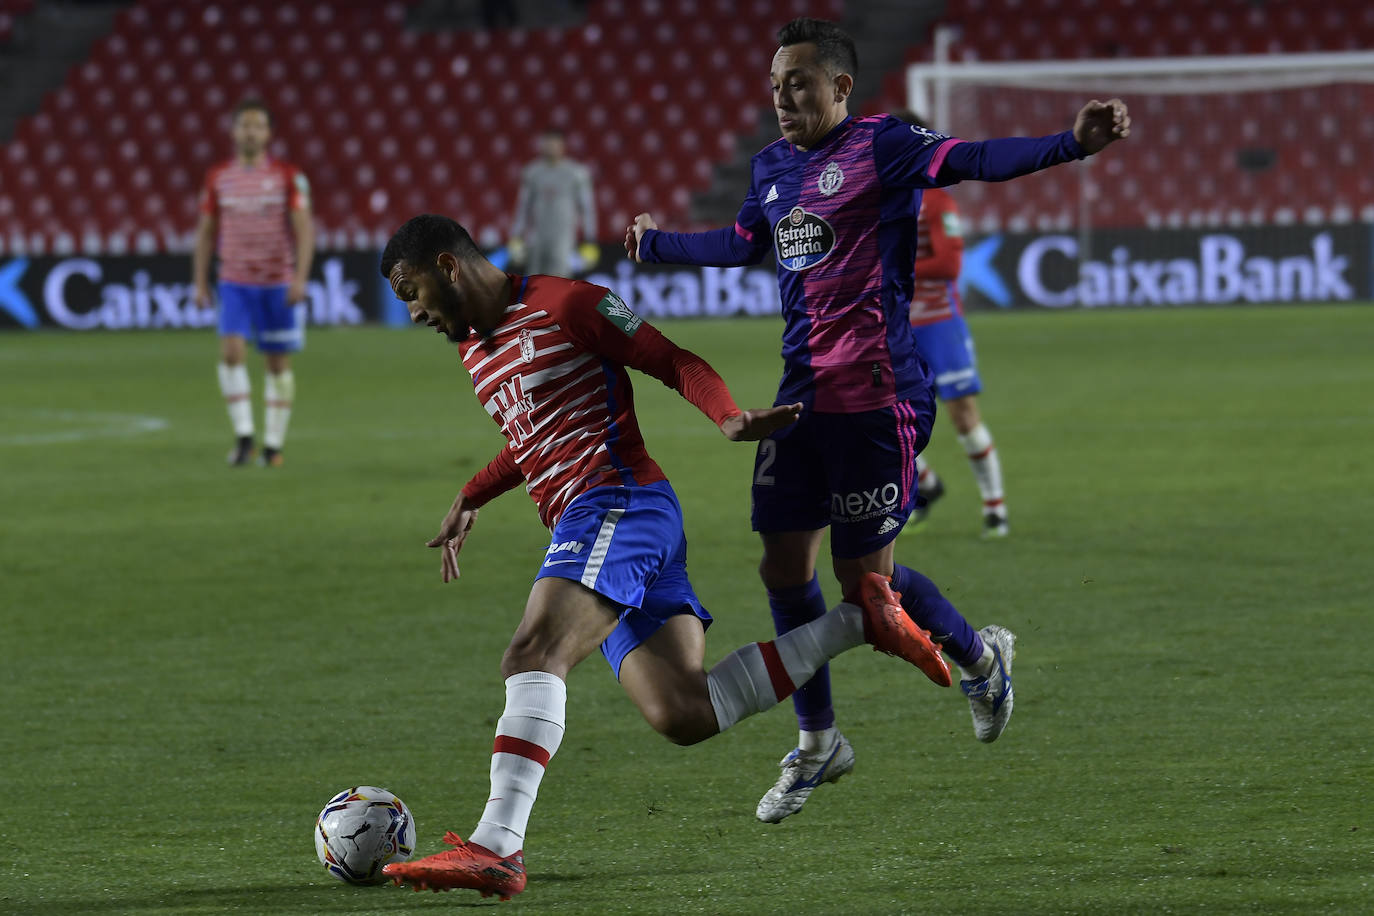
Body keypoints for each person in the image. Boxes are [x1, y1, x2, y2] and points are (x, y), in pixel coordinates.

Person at [625, 17, 1129, 822]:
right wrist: (658, 248)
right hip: (800, 402)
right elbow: (738, 242)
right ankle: (819, 741)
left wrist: (1068, 144)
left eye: (798, 81)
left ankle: (979, 655)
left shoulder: (883, 145)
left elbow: (973, 159)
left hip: (876, 398)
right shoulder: (771, 167)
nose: (783, 97)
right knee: (783, 574)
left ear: (840, 86)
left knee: (868, 590)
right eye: (774, 84)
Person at [376, 214, 951, 900]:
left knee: (533, 653)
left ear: (447, 265)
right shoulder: (475, 346)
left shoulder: (571, 304)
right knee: (682, 711)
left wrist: (728, 416)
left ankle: (497, 846)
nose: (411, 313)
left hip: (619, 503)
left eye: (410, 291)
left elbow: (671, 358)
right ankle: (861, 622)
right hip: (605, 519)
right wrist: (474, 492)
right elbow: (532, 436)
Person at [892, 109, 1008, 538]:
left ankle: (995, 507)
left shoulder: (938, 199)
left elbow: (948, 262)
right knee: (884, 417)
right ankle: (925, 483)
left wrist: (896, 268)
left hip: (940, 322)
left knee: (962, 416)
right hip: (896, 325)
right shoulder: (878, 195)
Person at [193, 96, 314, 467]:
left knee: (277, 364)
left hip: (277, 282)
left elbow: (304, 230)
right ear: (233, 132)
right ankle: (245, 436)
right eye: (244, 124)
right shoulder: (218, 178)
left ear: (268, 133)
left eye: (257, 125)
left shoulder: (287, 177)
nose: (250, 131)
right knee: (230, 353)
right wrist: (200, 281)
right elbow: (206, 231)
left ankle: (273, 445)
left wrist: (300, 278)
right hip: (234, 281)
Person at [509, 129, 598, 278]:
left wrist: (590, 239)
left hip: (563, 239)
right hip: (536, 238)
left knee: (559, 283)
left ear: (563, 146)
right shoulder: (532, 172)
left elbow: (587, 208)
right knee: (533, 282)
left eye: (554, 144)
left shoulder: (577, 173)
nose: (551, 147)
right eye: (547, 143)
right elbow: (523, 207)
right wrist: (516, 235)